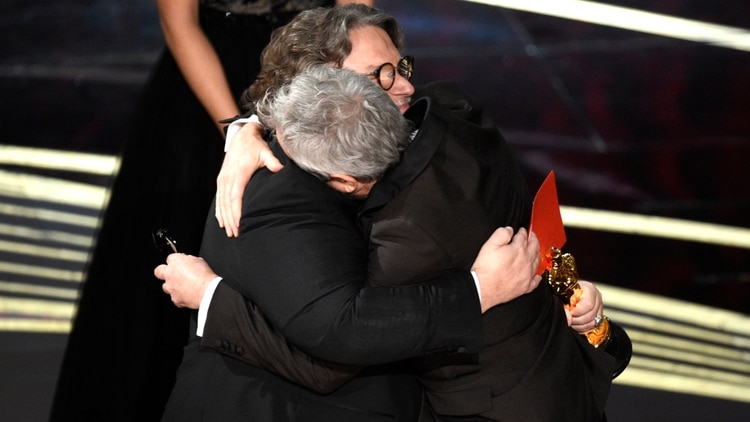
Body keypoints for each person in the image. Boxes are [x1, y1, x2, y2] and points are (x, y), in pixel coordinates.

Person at [157, 4, 624, 421]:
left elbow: (331, 355)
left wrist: (210, 298)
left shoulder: (404, 226)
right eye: (379, 74)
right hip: (565, 371)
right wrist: (246, 127)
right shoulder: (455, 112)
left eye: (399, 67)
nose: (405, 84)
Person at [50, 1, 373, 420]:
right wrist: (240, 129)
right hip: (212, 89)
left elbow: (358, 16)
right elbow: (179, 24)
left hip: (314, 72)